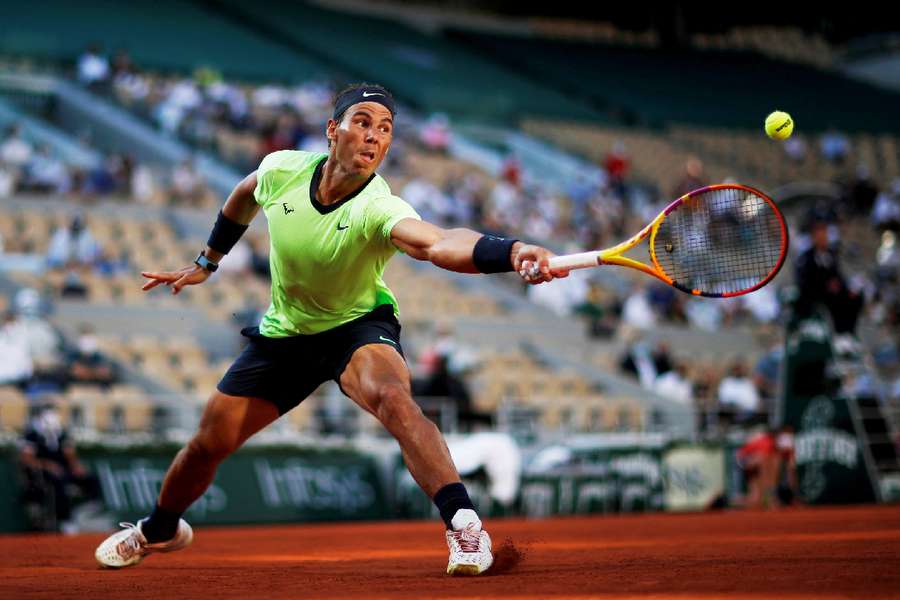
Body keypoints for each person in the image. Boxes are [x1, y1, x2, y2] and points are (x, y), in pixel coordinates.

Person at [94, 83, 566, 575]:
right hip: (286, 335)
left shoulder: (378, 207)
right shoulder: (282, 170)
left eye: (385, 129)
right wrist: (208, 260)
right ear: (332, 129)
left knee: (395, 400)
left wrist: (509, 252)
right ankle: (159, 529)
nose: (374, 137)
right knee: (207, 444)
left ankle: (465, 528)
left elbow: (438, 243)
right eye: (362, 122)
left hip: (355, 328)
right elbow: (242, 195)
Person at [19, 402, 101, 532]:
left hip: (63, 470)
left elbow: (69, 453)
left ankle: (88, 512)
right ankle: (65, 520)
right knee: (59, 482)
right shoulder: (31, 434)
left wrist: (76, 466)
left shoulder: (61, 433)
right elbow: (27, 459)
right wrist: (47, 465)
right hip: (43, 473)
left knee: (91, 478)